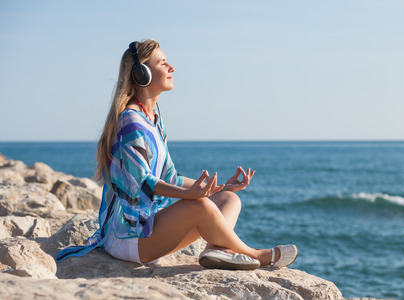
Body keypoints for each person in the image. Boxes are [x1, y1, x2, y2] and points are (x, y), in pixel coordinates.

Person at [57, 39, 298, 270]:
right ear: (142, 74)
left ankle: (214, 250)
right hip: (127, 237)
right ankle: (256, 254)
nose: (172, 67)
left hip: (147, 229)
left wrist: (219, 188)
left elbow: (170, 177)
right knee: (199, 206)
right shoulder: (131, 122)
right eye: (163, 63)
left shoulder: (153, 120)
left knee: (229, 200)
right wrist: (190, 195)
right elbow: (144, 183)